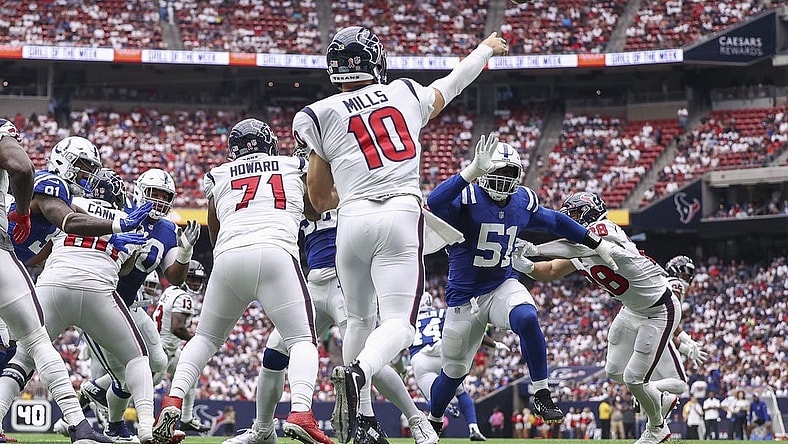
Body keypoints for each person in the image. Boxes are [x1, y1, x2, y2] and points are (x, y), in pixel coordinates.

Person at [293, 24, 508, 444]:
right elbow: (453, 82)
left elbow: (318, 199)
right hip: (400, 212)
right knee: (398, 325)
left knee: (358, 320)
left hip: (351, 219)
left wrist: (353, 189)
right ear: (377, 59)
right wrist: (484, 49)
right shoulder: (404, 92)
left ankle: (364, 420)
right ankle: (359, 374)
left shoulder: (319, 112)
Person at [425, 140, 626, 432]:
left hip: (501, 283)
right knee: (454, 372)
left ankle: (542, 392)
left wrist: (594, 243)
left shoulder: (522, 201)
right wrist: (468, 172)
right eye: (498, 172)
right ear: (483, 171)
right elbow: (435, 202)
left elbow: (556, 221)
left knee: (528, 317)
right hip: (464, 298)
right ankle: (433, 420)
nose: (504, 180)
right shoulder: (468, 197)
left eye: (510, 174)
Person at [151, 118, 324, 444]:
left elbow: (214, 228)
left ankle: (173, 398)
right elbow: (315, 210)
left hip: (229, 257)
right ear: (269, 143)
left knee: (204, 339)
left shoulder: (218, 174)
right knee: (302, 340)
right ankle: (301, 411)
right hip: (276, 253)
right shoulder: (292, 164)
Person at [1, 166, 156, 442]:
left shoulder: (72, 204)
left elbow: (46, 248)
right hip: (98, 291)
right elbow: (126, 268)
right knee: (137, 357)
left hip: (53, 286)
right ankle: (146, 427)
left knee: (25, 357)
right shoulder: (127, 218)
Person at [514, 191, 682, 444]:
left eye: (573, 214)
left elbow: (578, 245)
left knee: (634, 378)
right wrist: (523, 264)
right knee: (613, 370)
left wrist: (534, 249)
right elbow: (549, 270)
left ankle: (657, 428)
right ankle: (659, 399)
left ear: (588, 212)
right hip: (630, 309)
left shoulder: (603, 229)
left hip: (659, 309)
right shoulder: (581, 248)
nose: (569, 219)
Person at [0, 119, 112, 444]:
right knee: (36, 342)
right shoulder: (50, 184)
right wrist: (120, 228)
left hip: (12, 262)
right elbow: (23, 171)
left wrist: (120, 220)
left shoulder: (60, 197)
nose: (86, 175)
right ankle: (80, 427)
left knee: (10, 352)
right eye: (83, 167)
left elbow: (74, 217)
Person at [79, 167, 199, 442]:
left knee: (158, 361)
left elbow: (174, 276)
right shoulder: (121, 213)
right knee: (127, 373)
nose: (158, 200)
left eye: (164, 195)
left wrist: (185, 251)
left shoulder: (167, 228)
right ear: (139, 190)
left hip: (131, 306)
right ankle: (115, 425)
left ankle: (98, 390)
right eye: (154, 193)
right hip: (102, 301)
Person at [410, 293, 506, 441]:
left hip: (420, 358)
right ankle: (473, 428)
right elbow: (466, 330)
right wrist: (494, 344)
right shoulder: (441, 312)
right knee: (461, 393)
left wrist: (403, 370)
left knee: (433, 398)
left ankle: (443, 408)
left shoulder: (410, 320)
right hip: (441, 350)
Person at [151, 260, 211, 435]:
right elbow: (177, 328)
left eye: (198, 280)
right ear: (184, 277)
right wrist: (197, 340)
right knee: (140, 386)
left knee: (190, 373)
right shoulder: (183, 298)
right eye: (192, 278)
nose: (196, 283)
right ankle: (110, 410)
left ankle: (186, 418)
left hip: (167, 349)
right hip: (161, 351)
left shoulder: (171, 290)